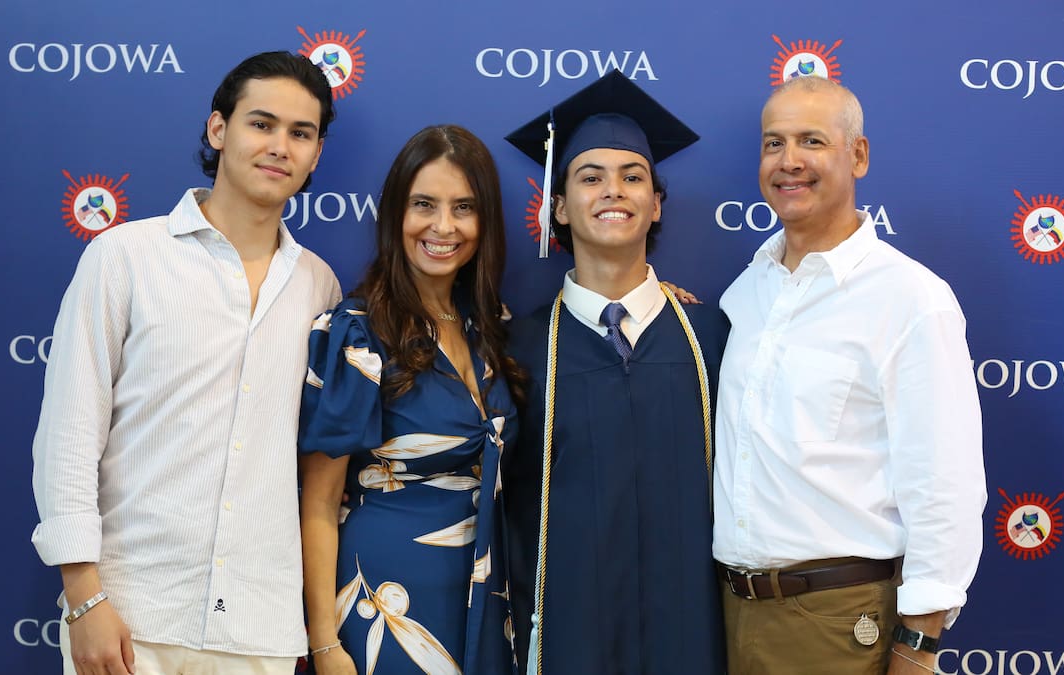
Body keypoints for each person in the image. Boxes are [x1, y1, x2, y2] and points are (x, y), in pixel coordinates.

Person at [31, 51, 341, 675]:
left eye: (300, 133)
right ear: (218, 129)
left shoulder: (320, 288)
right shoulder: (123, 257)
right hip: (130, 622)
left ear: (315, 154)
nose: (280, 145)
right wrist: (83, 595)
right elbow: (68, 434)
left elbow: (315, 475)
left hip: (261, 633)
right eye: (262, 123)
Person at [713, 75, 985, 674]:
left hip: (839, 621)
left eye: (812, 141)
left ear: (857, 155)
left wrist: (918, 647)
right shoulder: (748, 289)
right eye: (772, 143)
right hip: (732, 615)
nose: (789, 162)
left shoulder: (910, 297)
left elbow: (945, 483)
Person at [503, 70, 729, 674]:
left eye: (634, 177)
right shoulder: (516, 350)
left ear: (655, 204)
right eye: (590, 177)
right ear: (558, 205)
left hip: (690, 638)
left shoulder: (714, 339)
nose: (614, 191)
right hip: (565, 637)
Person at [299, 125, 523, 675]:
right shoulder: (356, 333)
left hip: (485, 596)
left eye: (463, 207)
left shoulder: (491, 328)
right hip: (383, 600)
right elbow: (319, 506)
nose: (443, 227)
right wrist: (324, 642)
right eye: (424, 204)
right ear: (395, 214)